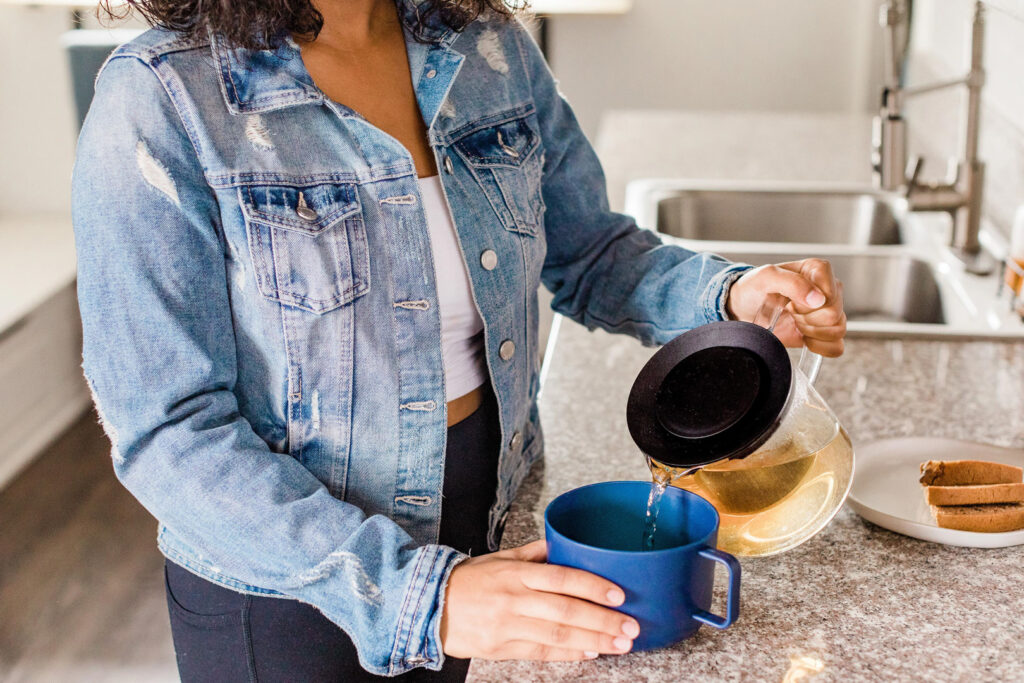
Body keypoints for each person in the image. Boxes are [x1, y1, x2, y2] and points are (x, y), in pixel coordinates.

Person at [71, 0, 846, 680]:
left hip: (490, 529)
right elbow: (167, 427)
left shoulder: (488, 49)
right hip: (286, 588)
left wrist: (730, 292)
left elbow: (591, 251)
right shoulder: (165, 96)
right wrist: (420, 595)